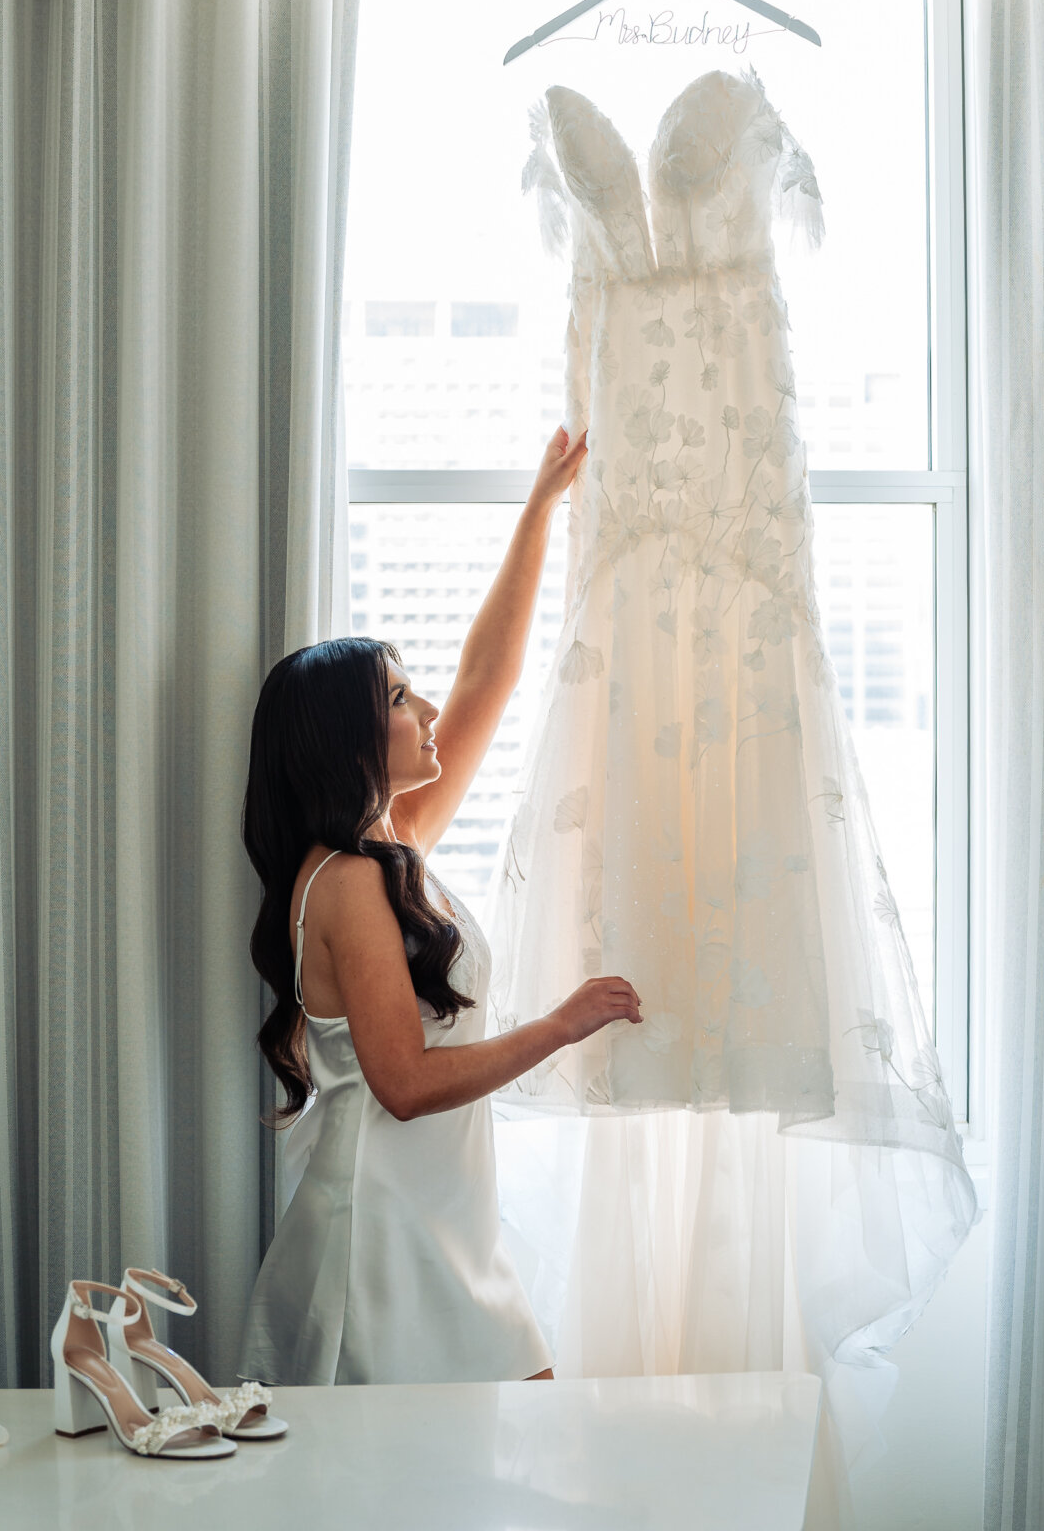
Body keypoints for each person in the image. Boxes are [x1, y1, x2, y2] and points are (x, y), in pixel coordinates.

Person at [237, 425, 642, 1386]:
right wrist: (559, 1024)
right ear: (349, 740)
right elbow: (405, 1085)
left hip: (439, 1215)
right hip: (385, 1234)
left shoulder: (394, 845)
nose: (425, 714)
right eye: (399, 699)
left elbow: (486, 680)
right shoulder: (343, 881)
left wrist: (539, 508)